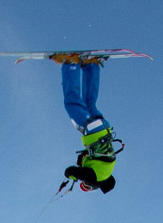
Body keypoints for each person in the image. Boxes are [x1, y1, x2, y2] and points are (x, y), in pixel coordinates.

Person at [50, 54, 123, 194]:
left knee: (89, 104)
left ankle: (92, 65)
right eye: (87, 185)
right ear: (95, 185)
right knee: (72, 104)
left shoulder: (105, 170)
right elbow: (71, 171)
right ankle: (71, 64)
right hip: (94, 132)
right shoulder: (96, 178)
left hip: (104, 129)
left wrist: (83, 161)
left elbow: (94, 158)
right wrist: (71, 175)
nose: (86, 183)